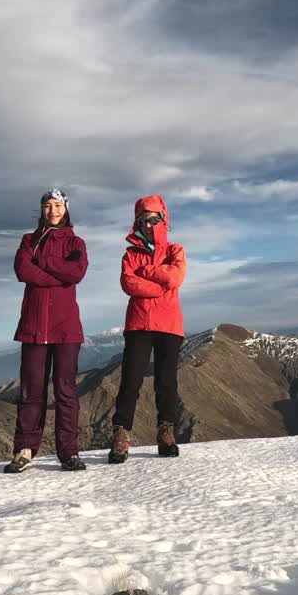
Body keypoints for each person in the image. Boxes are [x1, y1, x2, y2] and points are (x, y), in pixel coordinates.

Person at [4, 188, 89, 473]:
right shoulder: (29, 240)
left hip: (66, 328)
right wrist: (56, 273)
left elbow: (76, 273)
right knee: (31, 391)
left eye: (58, 205)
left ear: (66, 208)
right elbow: (22, 271)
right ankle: (25, 450)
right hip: (34, 326)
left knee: (66, 391)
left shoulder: (76, 242)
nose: (53, 211)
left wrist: (44, 262)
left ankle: (69, 452)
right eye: (47, 206)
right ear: (41, 210)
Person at [109, 194, 187, 464]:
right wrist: (160, 279)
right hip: (139, 322)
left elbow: (175, 278)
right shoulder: (131, 254)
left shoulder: (175, 250)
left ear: (163, 219)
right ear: (136, 223)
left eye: (153, 219)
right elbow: (128, 284)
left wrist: (147, 271)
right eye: (143, 220)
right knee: (130, 381)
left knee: (167, 382)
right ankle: (121, 434)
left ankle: (166, 433)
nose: (148, 224)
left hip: (169, 324)